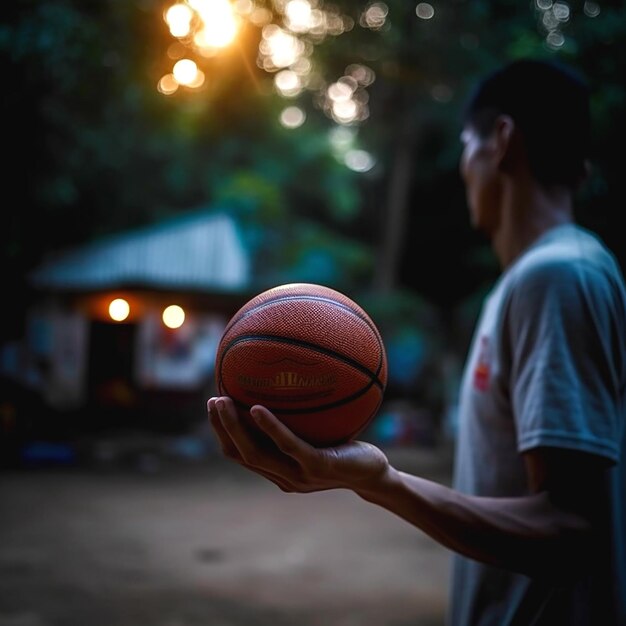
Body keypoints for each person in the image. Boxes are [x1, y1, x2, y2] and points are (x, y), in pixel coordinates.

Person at [207, 58, 626, 626]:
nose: (462, 168)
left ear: (501, 141)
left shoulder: (557, 277)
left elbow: (572, 532)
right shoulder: (544, 277)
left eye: (463, 145)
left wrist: (382, 482)